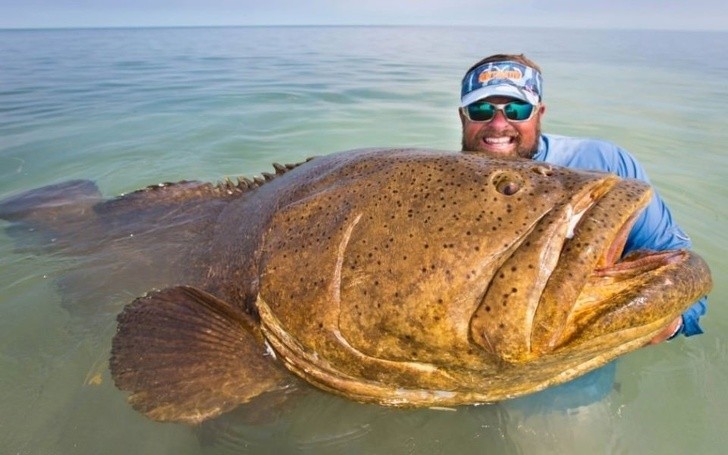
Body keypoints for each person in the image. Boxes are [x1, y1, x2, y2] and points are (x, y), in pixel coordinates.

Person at [459, 53, 707, 344]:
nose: (499, 123)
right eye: (480, 109)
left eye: (516, 109)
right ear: (462, 117)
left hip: (582, 363)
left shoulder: (604, 165)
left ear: (539, 113)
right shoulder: (441, 185)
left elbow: (684, 276)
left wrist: (667, 322)